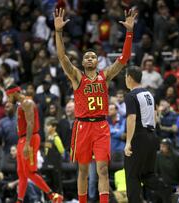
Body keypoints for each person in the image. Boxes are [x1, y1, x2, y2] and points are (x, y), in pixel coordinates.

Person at [54, 7, 137, 203]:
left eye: (93, 56)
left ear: (97, 61)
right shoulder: (76, 77)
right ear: (83, 62)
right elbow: (62, 58)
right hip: (82, 125)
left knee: (102, 169)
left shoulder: (105, 76)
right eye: (87, 57)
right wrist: (58, 32)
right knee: (83, 170)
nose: (90, 58)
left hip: (100, 126)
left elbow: (124, 59)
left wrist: (129, 32)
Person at [5, 84, 63, 203]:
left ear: (14, 93)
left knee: (30, 172)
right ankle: (19, 200)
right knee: (21, 173)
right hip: (22, 139)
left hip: (29, 139)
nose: (7, 99)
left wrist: (27, 144)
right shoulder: (20, 105)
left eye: (8, 96)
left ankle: (53, 196)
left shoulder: (27, 103)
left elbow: (31, 124)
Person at [124, 66, 171, 203]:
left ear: (129, 78)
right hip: (152, 136)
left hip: (139, 137)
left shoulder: (131, 95)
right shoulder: (149, 94)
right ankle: (167, 192)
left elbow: (131, 118)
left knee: (132, 176)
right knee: (146, 174)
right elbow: (156, 116)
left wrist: (128, 143)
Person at [155, 138, 179, 203]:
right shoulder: (158, 156)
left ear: (169, 147)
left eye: (163, 146)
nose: (161, 148)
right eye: (161, 146)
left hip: (178, 185)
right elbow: (156, 171)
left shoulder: (177, 157)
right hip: (166, 185)